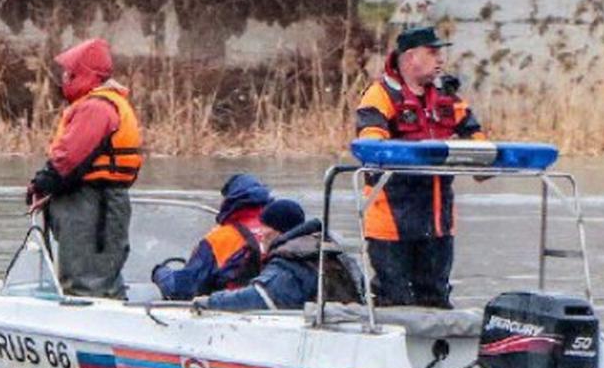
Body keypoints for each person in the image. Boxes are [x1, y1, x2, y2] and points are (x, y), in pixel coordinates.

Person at [355, 24, 485, 309]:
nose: (440, 59)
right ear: (411, 57)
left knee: (435, 299)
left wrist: (479, 158)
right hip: (391, 222)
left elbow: (477, 137)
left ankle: (439, 349)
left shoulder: (448, 99)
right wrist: (422, 154)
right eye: (433, 52)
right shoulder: (379, 96)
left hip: (437, 223)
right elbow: (371, 148)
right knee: (395, 299)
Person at [26, 38, 143, 298]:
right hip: (101, 203)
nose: (65, 78)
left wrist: (42, 182)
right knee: (102, 280)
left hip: (91, 206)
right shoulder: (108, 103)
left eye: (70, 73)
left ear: (84, 75)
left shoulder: (95, 107)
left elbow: (69, 158)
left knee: (85, 282)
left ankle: (88, 329)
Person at [200, 199, 364, 312]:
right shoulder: (331, 249)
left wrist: (210, 301)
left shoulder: (289, 260)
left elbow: (259, 298)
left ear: (277, 230)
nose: (261, 233)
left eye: (264, 226)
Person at [151, 173, 273, 300]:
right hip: (279, 311)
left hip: (230, 311)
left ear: (229, 201)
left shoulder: (221, 239)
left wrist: (160, 273)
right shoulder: (282, 230)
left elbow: (180, 288)